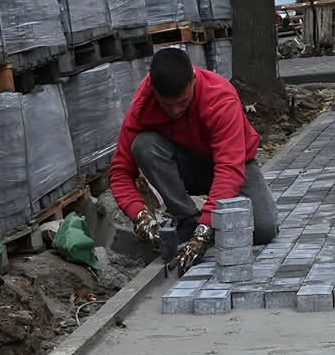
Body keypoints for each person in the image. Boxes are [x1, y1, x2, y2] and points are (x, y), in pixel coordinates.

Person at [108, 46, 279, 274]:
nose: (175, 111)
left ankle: (200, 226)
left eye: (183, 101)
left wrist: (205, 229)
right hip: (187, 166)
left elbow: (229, 169)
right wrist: (140, 217)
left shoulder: (219, 97)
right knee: (144, 145)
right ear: (153, 90)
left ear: (193, 80)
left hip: (235, 164)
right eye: (166, 105)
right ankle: (188, 220)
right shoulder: (143, 103)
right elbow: (119, 172)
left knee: (264, 229)